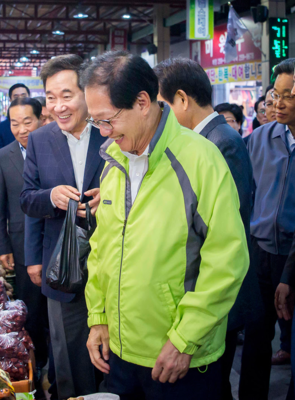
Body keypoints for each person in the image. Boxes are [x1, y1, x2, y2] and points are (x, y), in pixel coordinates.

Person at [82, 51, 248, 400]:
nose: (103, 132)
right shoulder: (114, 161)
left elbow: (227, 260)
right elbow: (102, 247)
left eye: (107, 120)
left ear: (143, 102)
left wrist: (185, 338)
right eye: (95, 123)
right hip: (121, 355)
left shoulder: (200, 160)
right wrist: (98, 316)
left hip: (178, 359)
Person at [154, 57, 261, 400]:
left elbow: (224, 229)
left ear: (182, 100)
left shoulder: (219, 143)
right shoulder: (205, 139)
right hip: (204, 292)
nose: (158, 117)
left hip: (218, 293)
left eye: (161, 106)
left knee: (213, 384)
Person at [20, 54, 106, 399]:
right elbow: (27, 199)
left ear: (86, 92)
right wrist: (51, 196)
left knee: (117, 352)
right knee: (69, 357)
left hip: (113, 262)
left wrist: (110, 199)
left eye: (66, 95)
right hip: (62, 265)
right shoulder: (41, 140)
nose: (58, 106)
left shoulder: (112, 133)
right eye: (51, 97)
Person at [239, 58, 295, 400]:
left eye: (291, 94)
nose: (282, 102)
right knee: (256, 338)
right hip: (258, 253)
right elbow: (245, 195)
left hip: (293, 254)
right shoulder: (259, 138)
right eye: (278, 93)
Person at [0, 97, 49, 400]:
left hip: (52, 240)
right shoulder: (1, 157)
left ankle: (53, 363)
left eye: (27, 121)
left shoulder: (54, 148)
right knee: (30, 305)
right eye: (15, 123)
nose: (22, 129)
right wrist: (3, 247)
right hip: (20, 240)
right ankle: (35, 366)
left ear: (40, 119)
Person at [0, 84, 30, 153]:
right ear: (10, 100)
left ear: (29, 97)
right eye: (16, 97)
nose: (20, 99)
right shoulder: (0, 128)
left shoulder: (39, 123)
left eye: (23, 96)